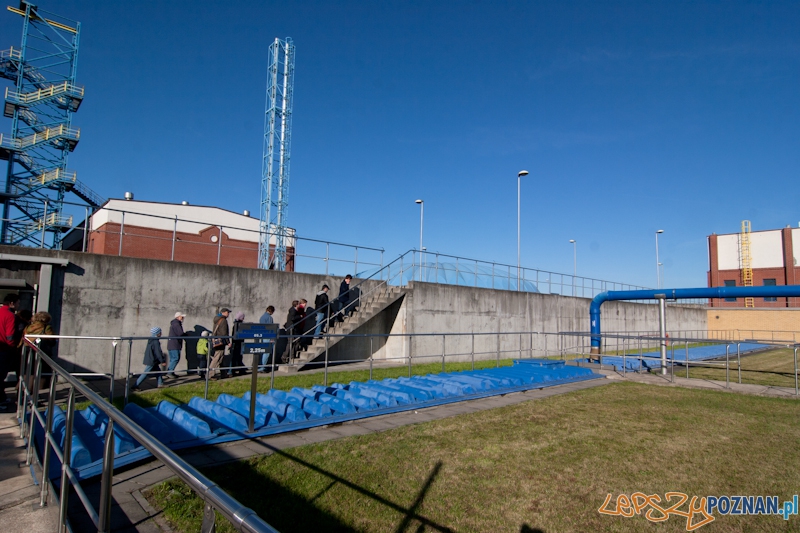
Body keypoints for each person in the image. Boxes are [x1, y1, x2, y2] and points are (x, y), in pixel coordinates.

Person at [23, 312, 56, 392]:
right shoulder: (46, 327)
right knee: (40, 375)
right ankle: (34, 396)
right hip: (41, 352)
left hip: (28, 351)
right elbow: (52, 341)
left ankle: (21, 393)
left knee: (28, 373)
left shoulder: (28, 327)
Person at [0, 294, 19, 411]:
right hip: (4, 350)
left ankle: (2, 397)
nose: (18, 306)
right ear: (12, 303)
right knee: (1, 376)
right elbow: (10, 336)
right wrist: (13, 347)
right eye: (18, 303)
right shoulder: (10, 316)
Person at [209, 307, 231, 379]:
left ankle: (223, 373)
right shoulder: (223, 320)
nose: (228, 314)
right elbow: (224, 333)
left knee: (221, 358)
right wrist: (228, 342)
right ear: (223, 312)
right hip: (221, 341)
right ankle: (210, 374)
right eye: (227, 312)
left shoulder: (217, 319)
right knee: (217, 358)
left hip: (216, 341)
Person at [166, 311, 188, 379]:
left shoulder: (174, 324)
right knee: (175, 358)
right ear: (178, 317)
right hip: (175, 344)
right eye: (182, 317)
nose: (183, 318)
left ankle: (170, 371)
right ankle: (169, 372)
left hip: (172, 344)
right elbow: (180, 333)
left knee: (172, 359)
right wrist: (186, 335)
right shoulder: (177, 324)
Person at [230, 312, 247, 376]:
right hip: (239, 343)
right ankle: (240, 370)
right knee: (238, 357)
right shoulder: (240, 325)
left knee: (235, 357)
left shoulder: (235, 324)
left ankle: (234, 370)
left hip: (235, 342)